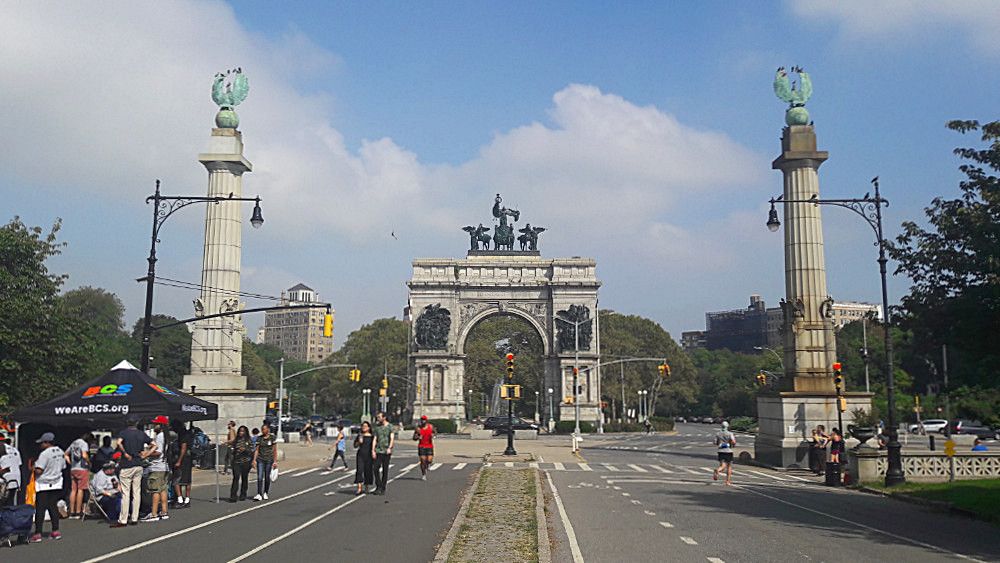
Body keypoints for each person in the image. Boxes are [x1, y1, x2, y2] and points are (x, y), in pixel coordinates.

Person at [112, 416, 152, 528]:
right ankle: (135, 517)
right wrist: (146, 454)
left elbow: (119, 443)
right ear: (137, 423)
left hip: (126, 464)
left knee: (126, 493)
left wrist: (124, 453)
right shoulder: (141, 434)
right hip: (138, 463)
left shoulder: (124, 433)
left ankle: (123, 519)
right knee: (136, 492)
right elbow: (154, 445)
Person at [31, 432, 66, 542]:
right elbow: (63, 466)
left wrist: (32, 468)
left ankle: (38, 533)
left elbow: (39, 470)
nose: (40, 445)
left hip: (44, 483)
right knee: (53, 507)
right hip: (56, 482)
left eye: (42, 443)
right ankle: (55, 531)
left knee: (40, 508)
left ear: (47, 442)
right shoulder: (60, 452)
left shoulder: (44, 454)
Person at [144, 416, 170, 522]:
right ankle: (164, 511)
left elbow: (158, 452)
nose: (154, 426)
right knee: (163, 490)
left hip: (157, 466)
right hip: (164, 466)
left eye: (156, 424)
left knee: (155, 490)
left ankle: (154, 514)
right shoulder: (166, 436)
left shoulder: (160, 436)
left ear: (161, 425)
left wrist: (147, 453)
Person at [64, 431, 92, 519]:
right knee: (80, 489)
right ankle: (78, 511)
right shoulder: (83, 444)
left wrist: (70, 463)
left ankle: (72, 512)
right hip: (82, 468)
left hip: (73, 468)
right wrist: (89, 462)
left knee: (73, 490)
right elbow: (84, 455)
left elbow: (65, 454)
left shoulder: (73, 443)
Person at [170, 420, 193, 509]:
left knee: (176, 480)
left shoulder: (182, 435)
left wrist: (179, 460)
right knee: (187, 480)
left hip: (182, 459)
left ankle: (180, 500)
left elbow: (183, 448)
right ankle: (187, 499)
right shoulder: (188, 433)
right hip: (188, 459)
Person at [252, 423, 278, 501]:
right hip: (260, 459)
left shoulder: (272, 438)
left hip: (269, 460)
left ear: (268, 429)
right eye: (262, 429)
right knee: (260, 477)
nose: (263, 431)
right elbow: (257, 450)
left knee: (267, 477)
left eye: (264, 429)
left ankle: (265, 492)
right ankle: (259, 493)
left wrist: (275, 461)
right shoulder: (259, 438)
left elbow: (274, 450)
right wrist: (254, 460)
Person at [228, 426, 253, 502]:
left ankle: (243, 494)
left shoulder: (249, 440)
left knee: (244, 478)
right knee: (236, 478)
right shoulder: (236, 440)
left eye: (243, 431)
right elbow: (232, 449)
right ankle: (233, 496)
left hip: (246, 462)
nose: (241, 433)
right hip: (236, 462)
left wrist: (245, 450)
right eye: (240, 431)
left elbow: (251, 450)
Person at [372, 412, 395, 496]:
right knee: (375, 468)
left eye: (379, 417)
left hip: (386, 451)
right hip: (378, 450)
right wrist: (373, 450)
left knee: (385, 470)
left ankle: (383, 487)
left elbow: (392, 438)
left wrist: (390, 447)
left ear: (384, 417)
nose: (378, 418)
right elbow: (375, 438)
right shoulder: (377, 427)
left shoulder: (390, 427)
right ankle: (378, 485)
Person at [712, 421, 736, 486]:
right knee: (729, 466)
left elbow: (715, 442)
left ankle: (718, 470)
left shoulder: (718, 433)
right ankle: (727, 481)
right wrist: (732, 444)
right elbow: (733, 441)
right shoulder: (730, 433)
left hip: (720, 451)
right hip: (728, 451)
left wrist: (720, 444)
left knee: (722, 465)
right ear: (727, 426)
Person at [353, 421, 374, 496]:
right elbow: (355, 445)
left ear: (369, 427)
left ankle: (367, 487)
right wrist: (359, 442)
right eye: (363, 426)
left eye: (366, 426)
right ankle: (359, 487)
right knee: (359, 470)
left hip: (369, 455)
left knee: (368, 471)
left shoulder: (372, 436)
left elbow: (374, 445)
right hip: (360, 455)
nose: (364, 427)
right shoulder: (360, 435)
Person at [413, 416, 436, 481]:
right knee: (422, 460)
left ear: (426, 420)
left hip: (429, 446)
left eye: (424, 420)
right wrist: (417, 437)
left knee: (429, 460)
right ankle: (423, 474)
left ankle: (428, 464)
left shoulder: (430, 427)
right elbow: (414, 438)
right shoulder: (418, 429)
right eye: (422, 420)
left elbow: (435, 432)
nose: (423, 421)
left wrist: (433, 435)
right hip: (421, 446)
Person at [0, 442, 20, 507]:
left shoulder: (2, 448)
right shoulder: (14, 450)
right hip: (14, 480)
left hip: (5, 481)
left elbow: (6, 469)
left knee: (5, 504)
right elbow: (18, 464)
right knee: (10, 503)